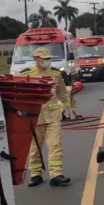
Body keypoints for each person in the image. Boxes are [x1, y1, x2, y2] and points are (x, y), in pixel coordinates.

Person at [21, 47, 73, 187]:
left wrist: (69, 108)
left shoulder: (55, 73)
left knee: (55, 145)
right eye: (44, 59)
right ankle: (36, 174)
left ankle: (56, 175)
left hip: (53, 116)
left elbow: (62, 92)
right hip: (34, 117)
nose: (47, 61)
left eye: (48, 58)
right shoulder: (26, 74)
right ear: (36, 59)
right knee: (34, 148)